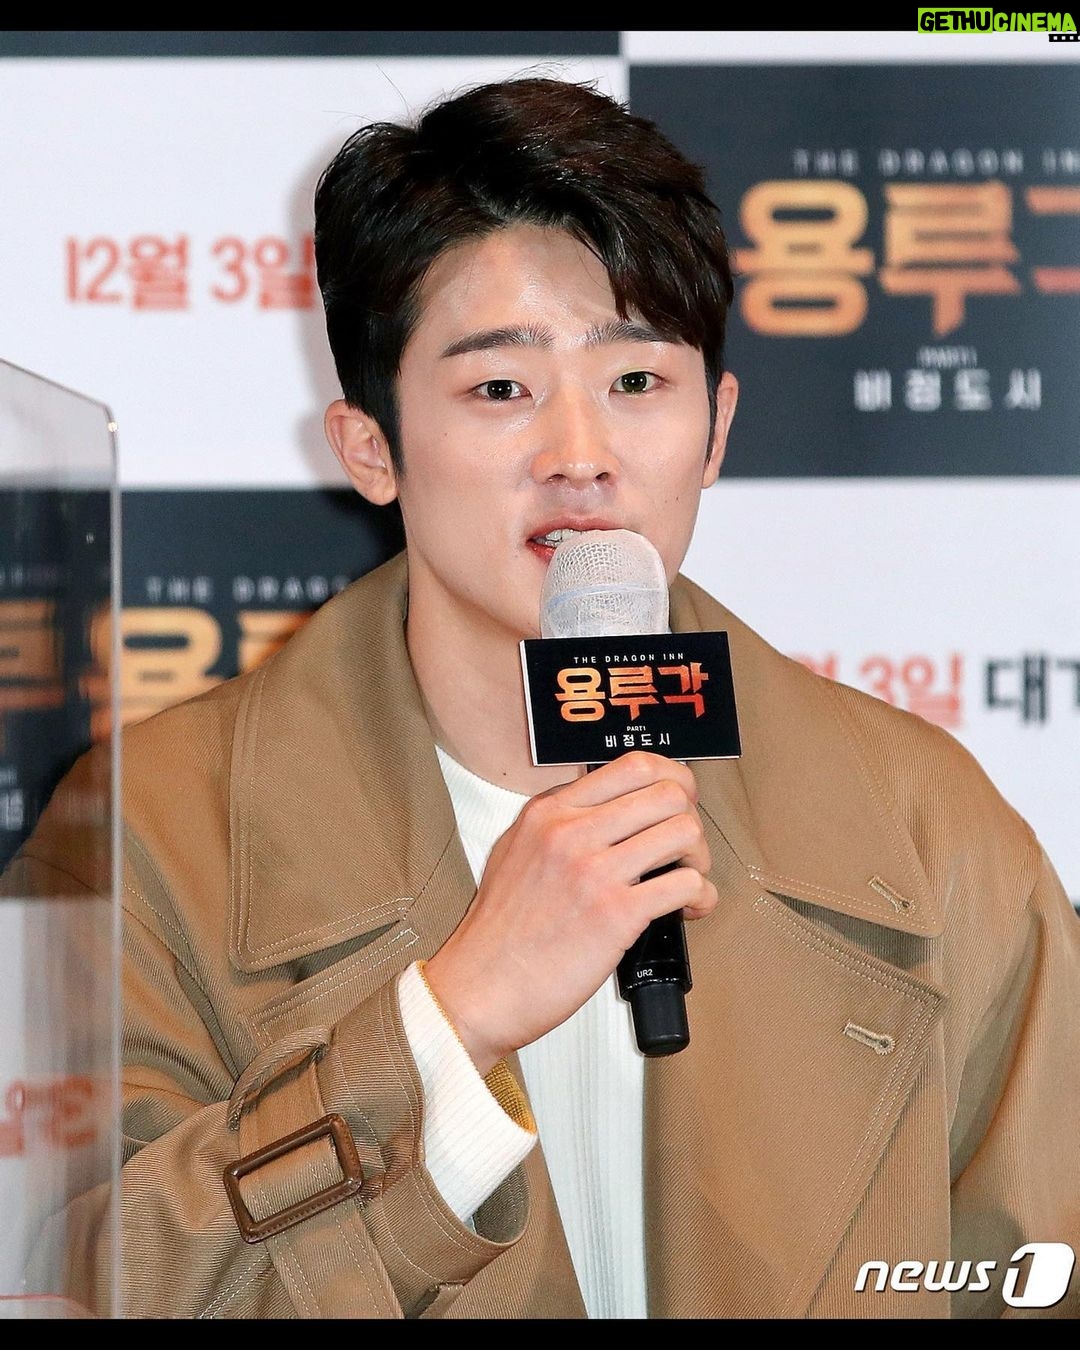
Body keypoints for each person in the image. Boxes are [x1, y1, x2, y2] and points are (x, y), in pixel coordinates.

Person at [4, 74, 1079, 1320]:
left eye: (638, 383)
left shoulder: (925, 828)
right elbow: (81, 1278)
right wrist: (449, 1022)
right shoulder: (144, 839)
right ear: (370, 447)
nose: (582, 455)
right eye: (501, 389)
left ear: (717, 428)